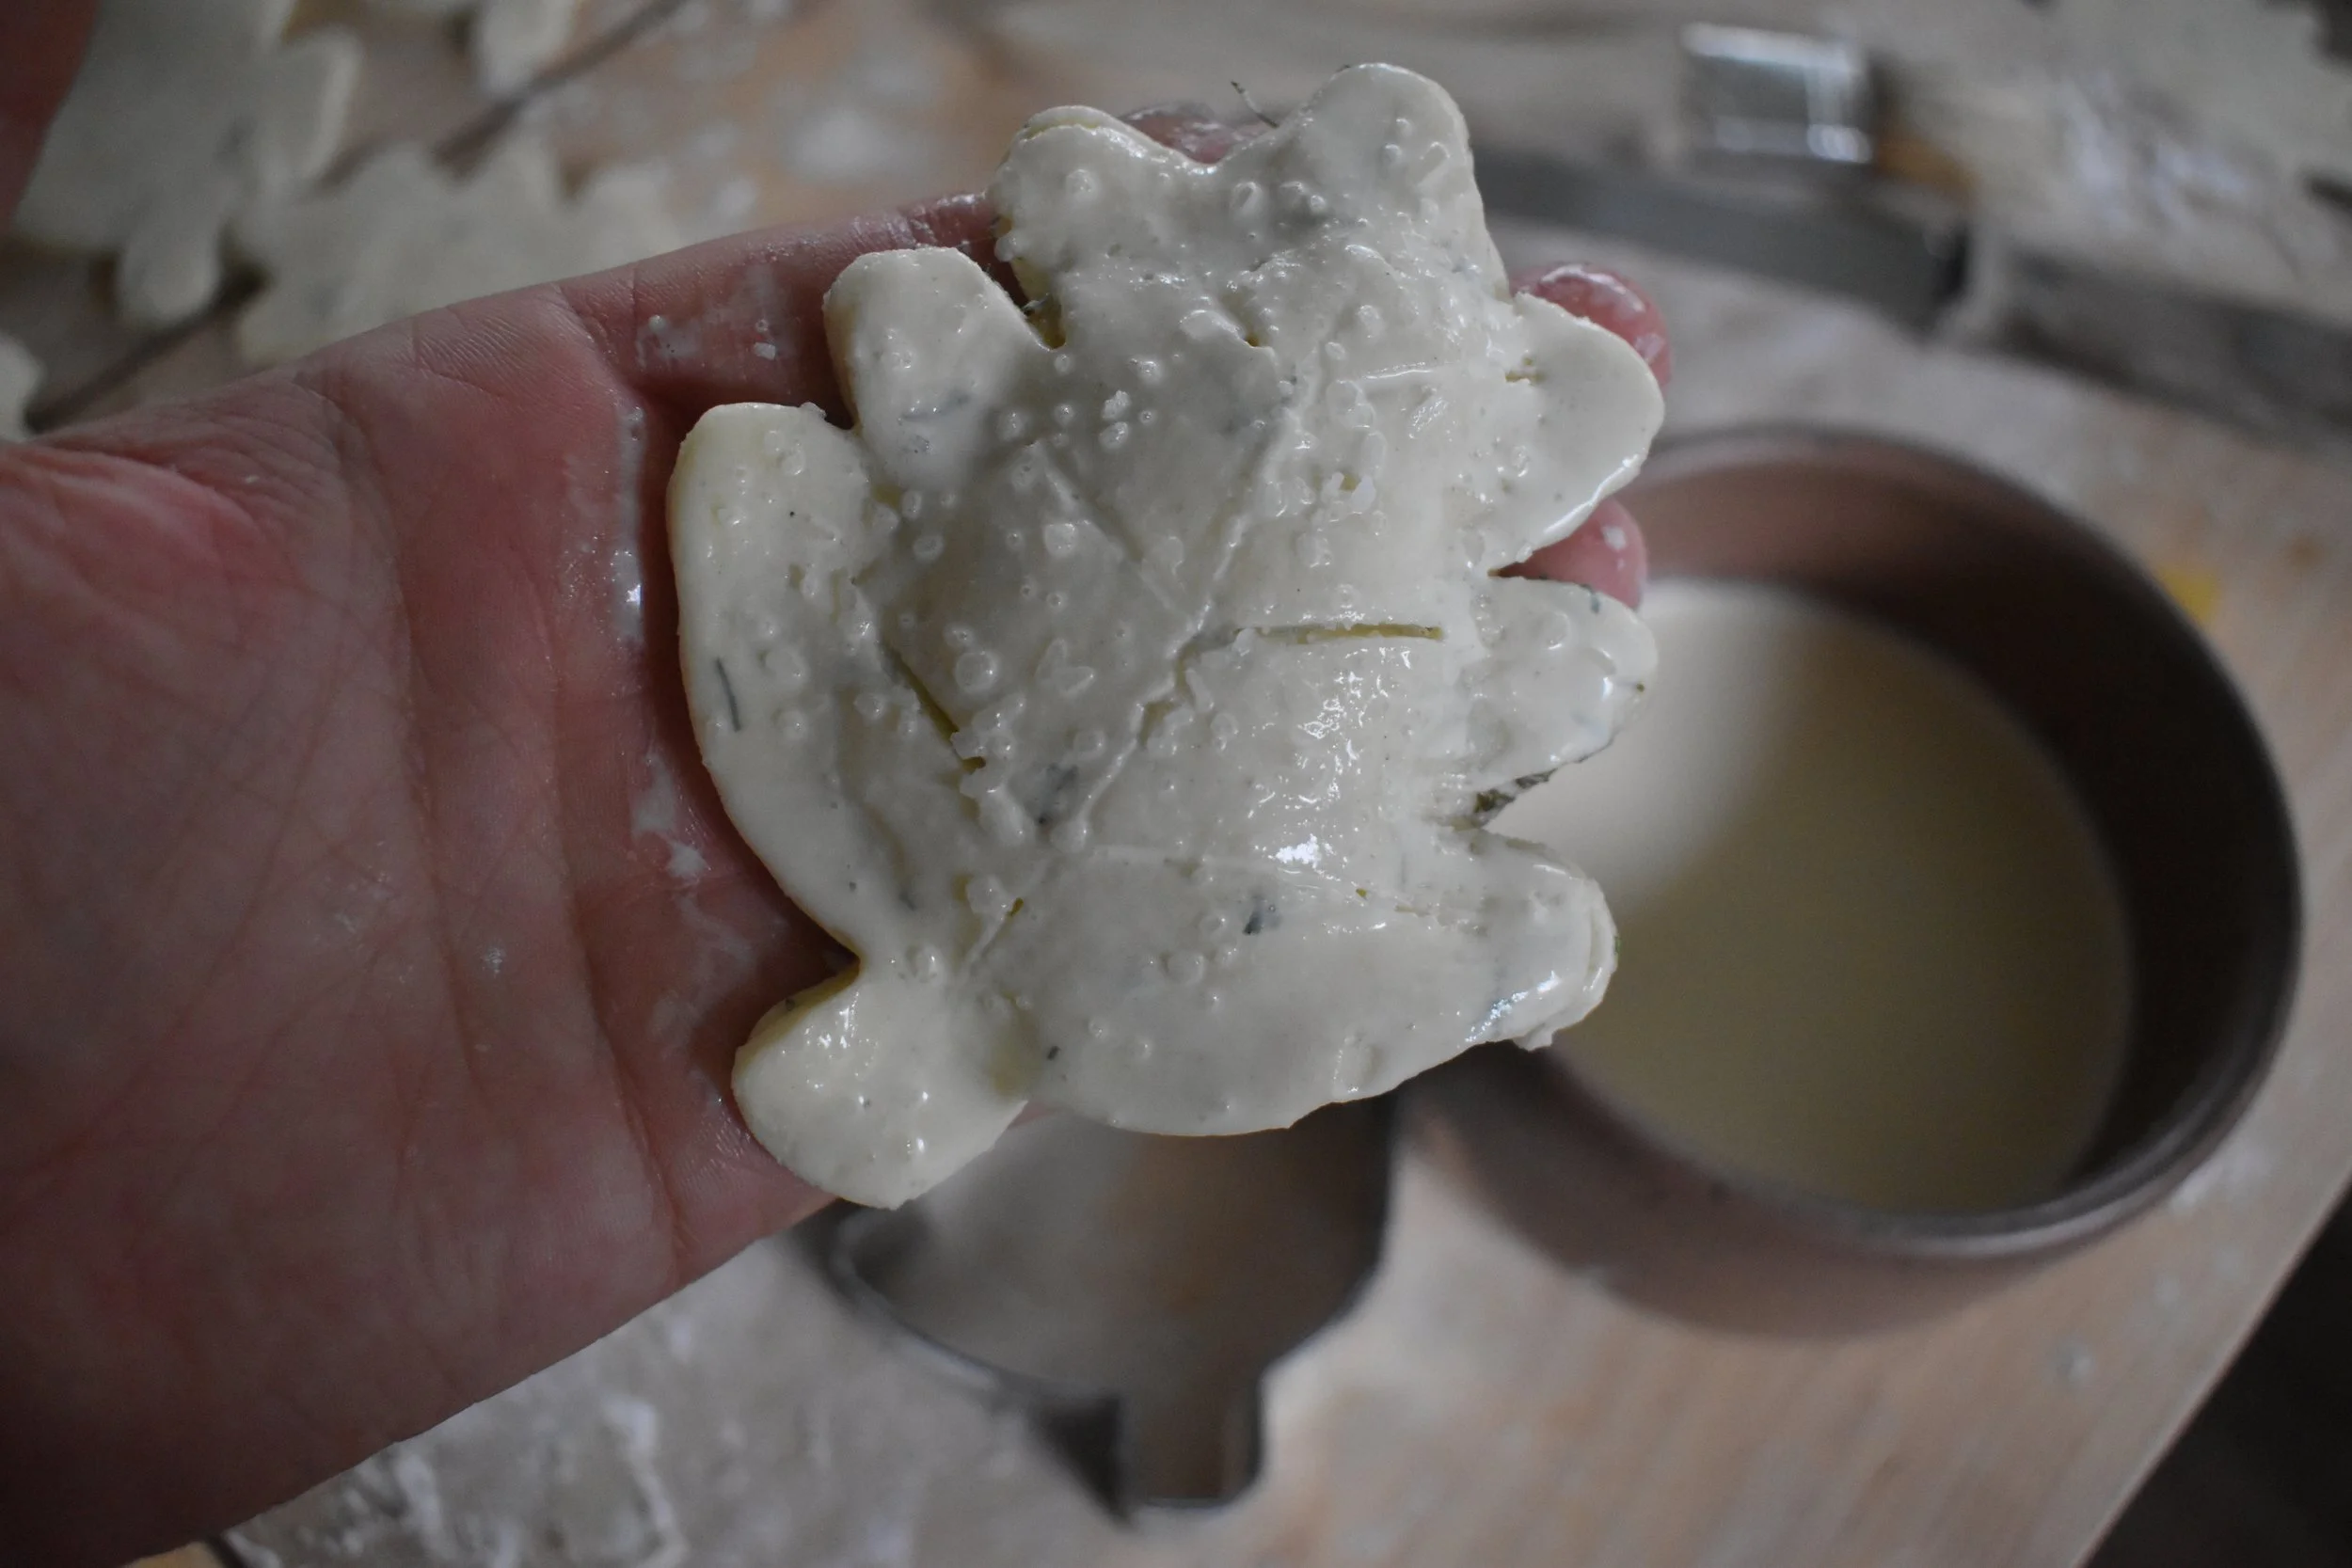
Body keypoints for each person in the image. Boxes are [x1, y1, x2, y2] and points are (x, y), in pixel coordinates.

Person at [0, 9, 1669, 1561]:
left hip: (1125, 919)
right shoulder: (1091, 328)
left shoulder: (1433, 512)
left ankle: (949, 1009)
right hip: (924, 809)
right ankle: (940, 1007)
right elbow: (903, 372)